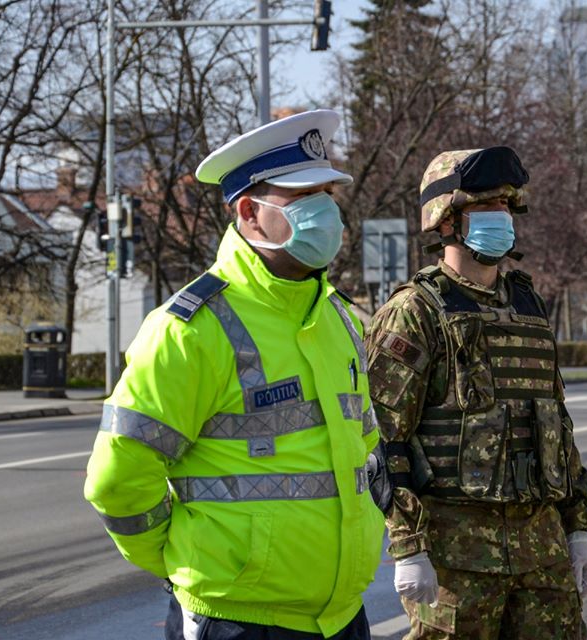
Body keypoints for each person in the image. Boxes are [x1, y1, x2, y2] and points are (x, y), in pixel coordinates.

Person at [84, 110, 386, 640]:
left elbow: (362, 446)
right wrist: (182, 560)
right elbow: (117, 478)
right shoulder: (190, 330)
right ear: (248, 212)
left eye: (329, 197)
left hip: (342, 617)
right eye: (304, 199)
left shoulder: (336, 316)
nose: (328, 215)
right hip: (238, 623)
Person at [364, 146, 587, 639]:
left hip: (542, 552)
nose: (502, 218)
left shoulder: (528, 305)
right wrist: (409, 549)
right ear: (447, 221)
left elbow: (557, 423)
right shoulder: (415, 312)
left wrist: (576, 527)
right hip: (457, 562)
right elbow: (385, 443)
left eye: (507, 207)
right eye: (485, 208)